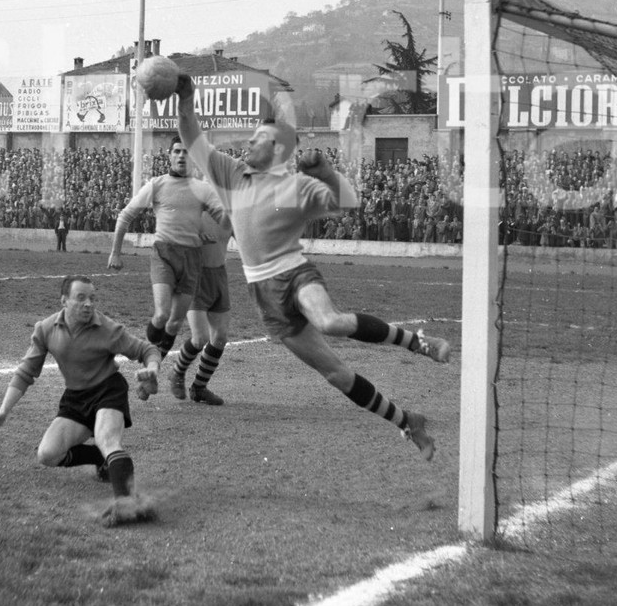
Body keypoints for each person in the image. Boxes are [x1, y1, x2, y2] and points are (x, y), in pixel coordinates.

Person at [175, 74, 452, 461]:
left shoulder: (297, 187)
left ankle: (418, 343)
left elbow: (347, 201)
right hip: (263, 292)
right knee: (336, 374)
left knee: (331, 322)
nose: (248, 143)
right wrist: (186, 98)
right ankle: (407, 422)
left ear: (277, 149)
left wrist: (324, 173)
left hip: (293, 272)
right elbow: (191, 137)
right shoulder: (231, 175)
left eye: (257, 139)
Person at [0, 275, 161, 526]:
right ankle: (100, 458)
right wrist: (3, 411)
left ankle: (128, 504)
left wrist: (152, 369)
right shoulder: (46, 329)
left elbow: (147, 350)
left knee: (108, 439)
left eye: (92, 298)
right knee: (47, 455)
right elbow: (25, 372)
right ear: (64, 300)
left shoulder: (107, 329)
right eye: (81, 297)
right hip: (75, 397)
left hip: (108, 390)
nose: (89, 304)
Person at [107, 136, 226, 360]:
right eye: (177, 151)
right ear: (170, 155)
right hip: (164, 254)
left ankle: (154, 363)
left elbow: (224, 219)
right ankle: (148, 353)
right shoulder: (157, 184)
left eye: (186, 152)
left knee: (175, 322)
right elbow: (125, 216)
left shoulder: (203, 190)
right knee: (161, 316)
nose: (182, 156)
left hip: (191, 258)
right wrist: (116, 252)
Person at [169, 211, 233, 406]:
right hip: (195, 277)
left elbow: (250, 243)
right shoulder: (193, 213)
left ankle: (199, 388)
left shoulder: (230, 215)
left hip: (219, 277)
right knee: (200, 338)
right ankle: (177, 373)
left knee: (220, 337)